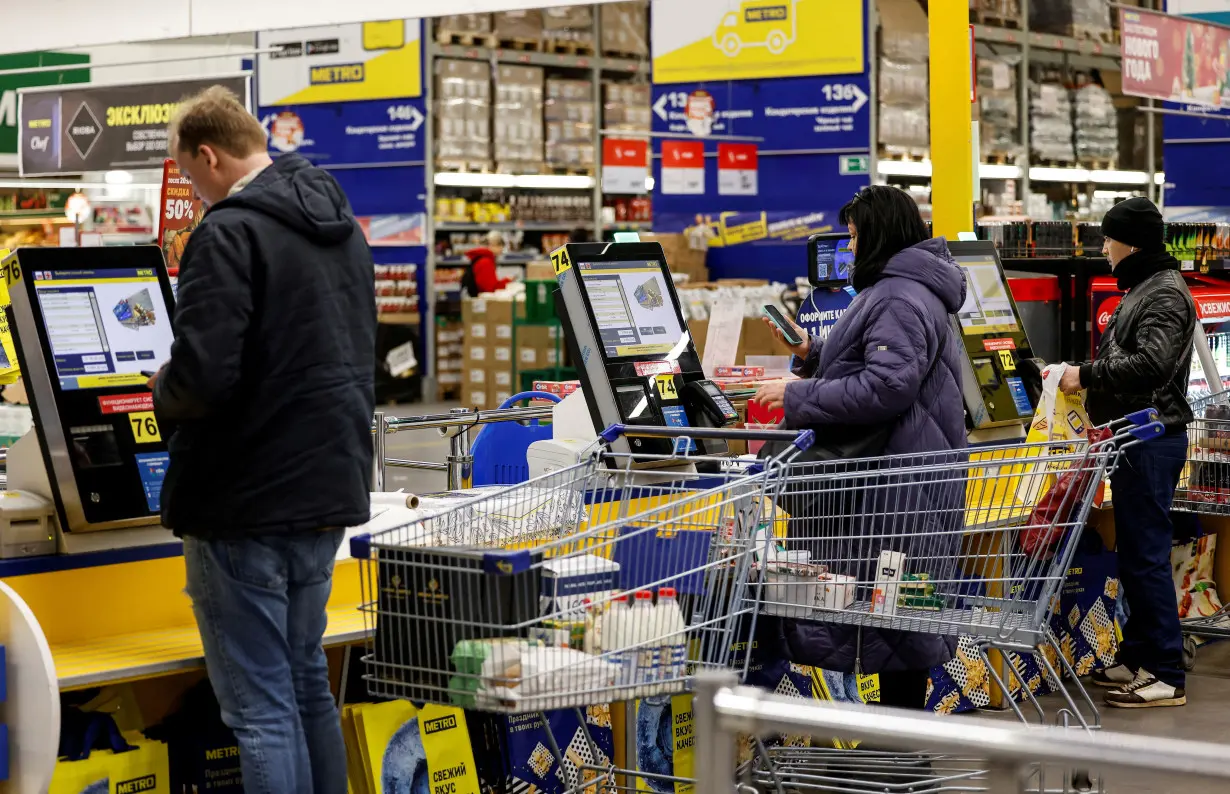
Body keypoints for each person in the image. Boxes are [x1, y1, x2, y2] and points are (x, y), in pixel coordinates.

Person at [153, 86, 375, 792]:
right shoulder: (343, 229)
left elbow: (203, 377)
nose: (192, 190)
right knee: (308, 681)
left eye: (189, 175)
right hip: (328, 487)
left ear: (209, 156)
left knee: (260, 708)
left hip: (243, 499)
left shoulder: (229, 232)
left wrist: (158, 388)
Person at [753, 185, 968, 709]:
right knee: (900, 616)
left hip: (897, 484)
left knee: (897, 615)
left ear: (878, 234)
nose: (848, 249)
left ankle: (899, 758)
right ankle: (898, 753)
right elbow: (882, 362)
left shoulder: (897, 294)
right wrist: (813, 351)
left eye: (853, 236)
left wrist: (798, 393)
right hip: (909, 473)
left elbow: (888, 386)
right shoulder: (903, 289)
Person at [1055, 196, 1195, 709]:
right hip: (1134, 436)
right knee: (1136, 553)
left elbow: (1151, 366)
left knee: (1147, 555)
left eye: (1109, 239)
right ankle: (1140, 657)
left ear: (1131, 243)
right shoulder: (1146, 288)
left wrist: (1085, 374)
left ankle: (1164, 673)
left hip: (1151, 438)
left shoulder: (1164, 295)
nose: (1104, 248)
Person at [462, 229, 510, 295]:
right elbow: (489, 288)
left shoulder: (483, 258)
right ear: (493, 245)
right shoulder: (485, 262)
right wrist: (507, 281)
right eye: (501, 246)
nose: (502, 250)